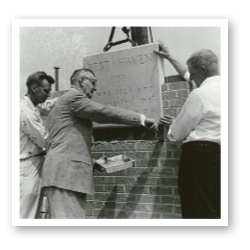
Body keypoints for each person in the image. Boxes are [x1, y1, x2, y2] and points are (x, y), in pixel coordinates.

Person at [41, 68, 158, 219]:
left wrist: (93, 162)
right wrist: (141, 119)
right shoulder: (74, 97)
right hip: (65, 175)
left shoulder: (63, 103)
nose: (95, 88)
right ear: (82, 81)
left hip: (64, 174)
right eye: (93, 82)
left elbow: (65, 142)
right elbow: (103, 112)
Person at [154, 42, 221, 218]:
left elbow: (178, 133)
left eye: (193, 72)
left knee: (198, 209)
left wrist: (173, 124)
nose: (190, 77)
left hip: (201, 158)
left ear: (203, 69)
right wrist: (169, 57)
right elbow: (187, 75)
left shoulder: (200, 94)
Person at [20, 71, 58, 219]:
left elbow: (46, 106)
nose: (48, 95)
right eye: (46, 90)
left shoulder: (29, 106)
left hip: (30, 164)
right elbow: (44, 140)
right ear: (35, 88)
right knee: (26, 214)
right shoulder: (26, 112)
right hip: (27, 167)